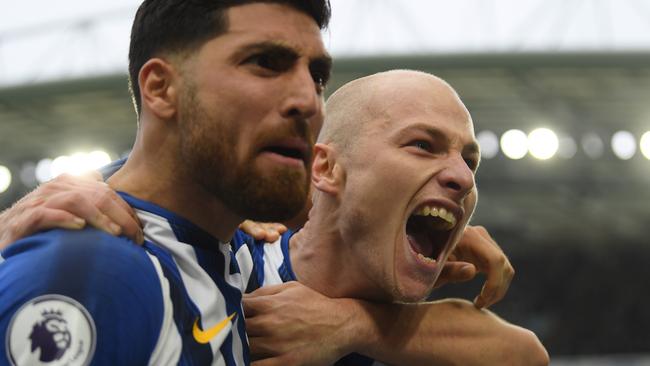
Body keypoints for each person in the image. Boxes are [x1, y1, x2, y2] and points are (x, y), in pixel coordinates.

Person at [0, 1, 332, 364]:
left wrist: (356, 326)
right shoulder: (97, 274)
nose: (308, 101)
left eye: (316, 77)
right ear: (160, 88)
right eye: (265, 63)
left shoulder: (247, 255)